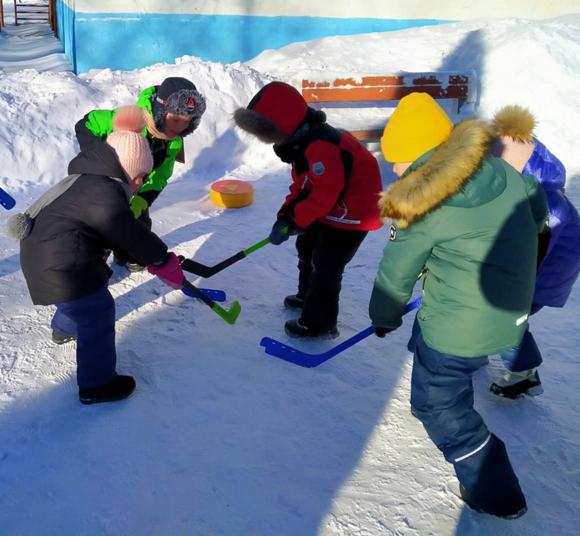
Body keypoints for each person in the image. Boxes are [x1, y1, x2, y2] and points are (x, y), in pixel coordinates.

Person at [369, 93, 548, 519]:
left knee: (442, 401)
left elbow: (395, 277)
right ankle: (431, 396)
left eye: (400, 160)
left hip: (458, 327)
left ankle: (497, 493)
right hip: (510, 310)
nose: (395, 170)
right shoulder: (502, 168)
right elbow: (538, 219)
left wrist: (384, 317)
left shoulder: (420, 204)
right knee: (437, 347)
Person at [10, 107, 185, 405]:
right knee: (97, 311)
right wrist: (160, 259)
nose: (142, 183)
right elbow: (126, 231)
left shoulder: (91, 178)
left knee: (78, 301)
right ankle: (97, 384)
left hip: (48, 258)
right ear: (126, 168)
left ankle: (62, 330)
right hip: (62, 264)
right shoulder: (103, 192)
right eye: (140, 175)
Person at [233, 81, 383, 338]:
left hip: (354, 213)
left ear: (284, 124)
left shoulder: (321, 146)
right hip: (333, 206)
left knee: (326, 265)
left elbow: (325, 192)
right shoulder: (302, 143)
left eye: (266, 133)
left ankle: (320, 323)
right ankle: (307, 296)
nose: (264, 140)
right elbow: (303, 186)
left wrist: (296, 221)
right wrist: (285, 217)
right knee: (307, 247)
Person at [489, 105, 580, 398]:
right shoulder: (517, 189)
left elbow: (535, 254)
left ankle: (525, 374)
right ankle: (480, 349)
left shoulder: (548, 203)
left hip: (544, 274)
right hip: (535, 265)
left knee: (507, 316)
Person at [74, 77, 206, 271]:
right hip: (104, 187)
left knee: (138, 223)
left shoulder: (173, 142)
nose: (179, 128)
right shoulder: (129, 119)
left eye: (187, 122)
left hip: (137, 189)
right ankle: (93, 265)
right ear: (162, 111)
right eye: (175, 119)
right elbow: (86, 123)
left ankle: (127, 255)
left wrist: (141, 201)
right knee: (98, 228)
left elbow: (160, 176)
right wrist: (99, 160)